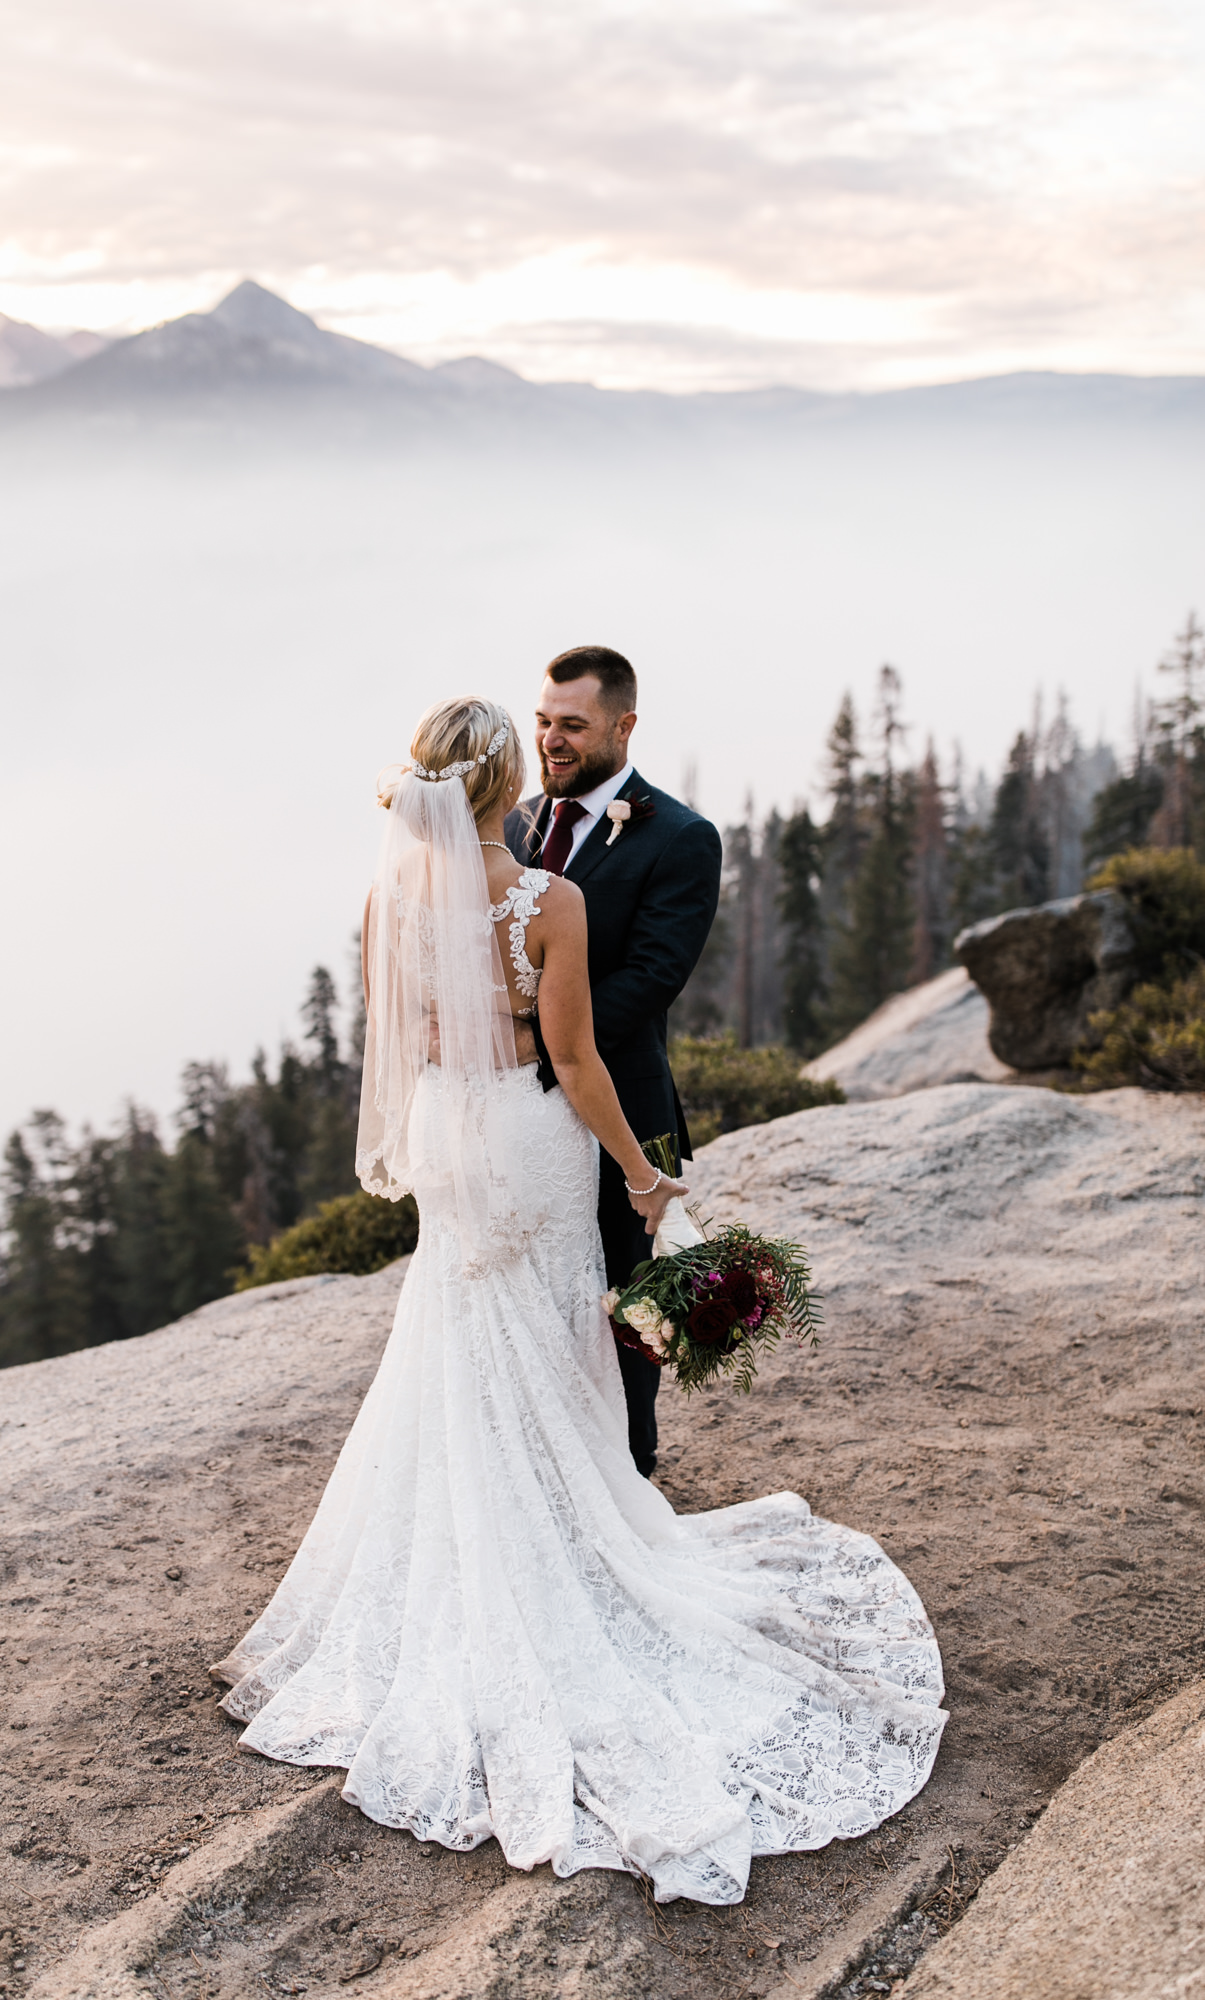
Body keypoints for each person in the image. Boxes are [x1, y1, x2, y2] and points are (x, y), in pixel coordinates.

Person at [211, 692, 945, 1908]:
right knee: (553, 1338)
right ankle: (571, 1538)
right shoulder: (549, 903)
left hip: (446, 1130)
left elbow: (401, 1034)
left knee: (453, 1332)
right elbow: (578, 1059)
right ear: (505, 786)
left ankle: (465, 1545)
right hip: (532, 1140)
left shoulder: (386, 896)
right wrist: (646, 1174)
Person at [504, 645, 721, 1477]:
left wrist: (539, 1046)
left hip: (623, 1102)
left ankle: (629, 1469)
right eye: (543, 723)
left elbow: (652, 978)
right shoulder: (515, 823)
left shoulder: (680, 837)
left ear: (623, 727)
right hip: (519, 1115)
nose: (551, 742)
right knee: (539, 1288)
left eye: (572, 727)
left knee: (627, 1298)